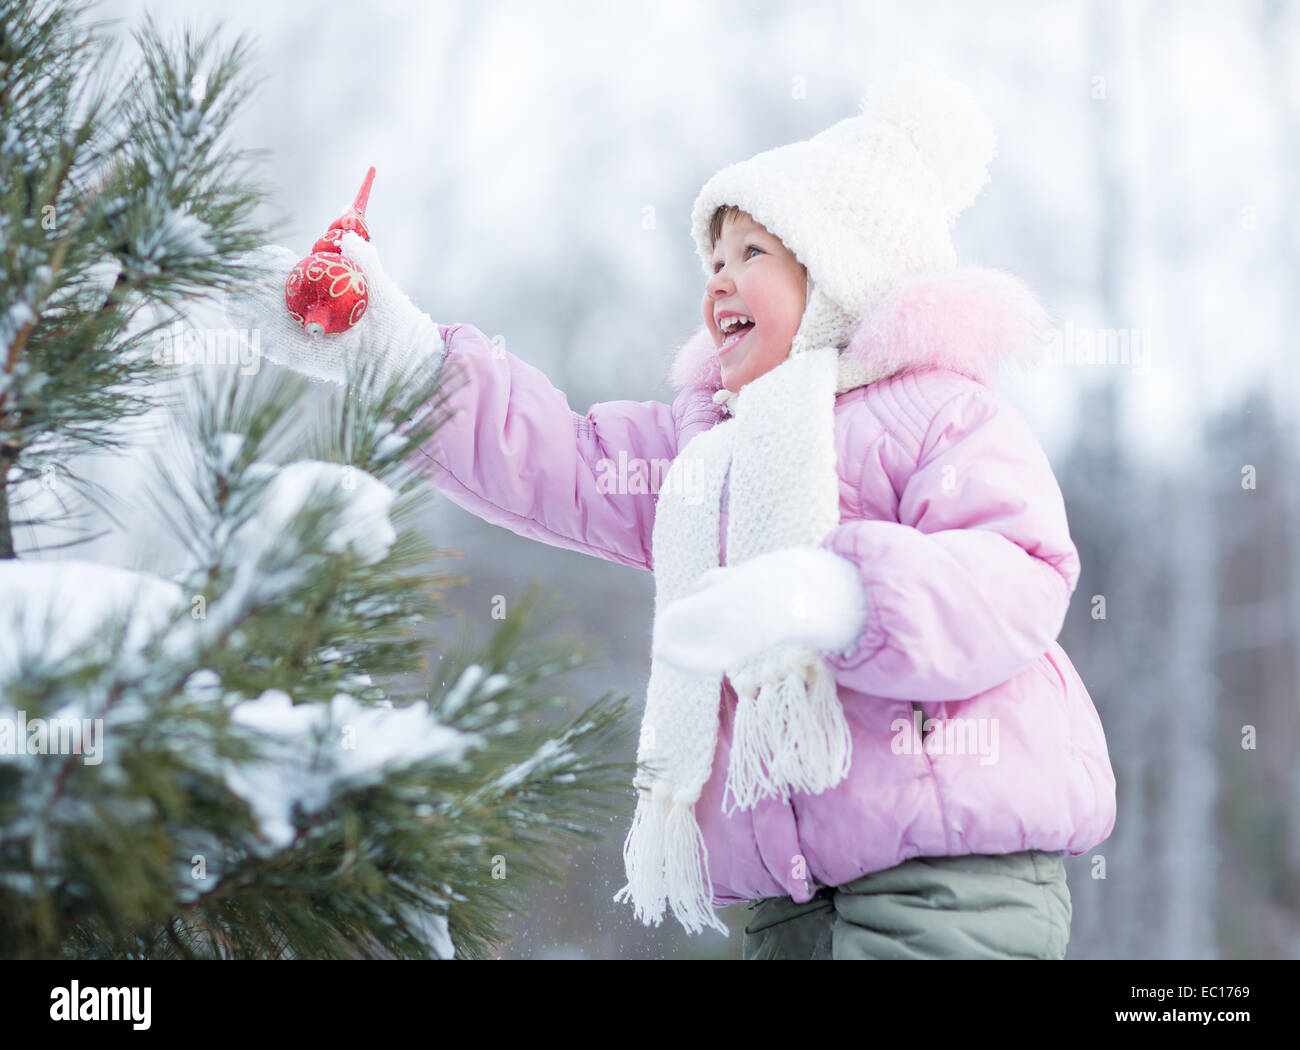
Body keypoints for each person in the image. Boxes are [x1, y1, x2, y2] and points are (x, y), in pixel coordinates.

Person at [224, 65, 1116, 960]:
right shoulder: (710, 454)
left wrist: (844, 593)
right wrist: (391, 349)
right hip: (791, 900)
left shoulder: (940, 413)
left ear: (840, 268)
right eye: (713, 263)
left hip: (952, 873)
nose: (718, 285)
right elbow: (559, 463)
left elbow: (1017, 573)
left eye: (751, 256)